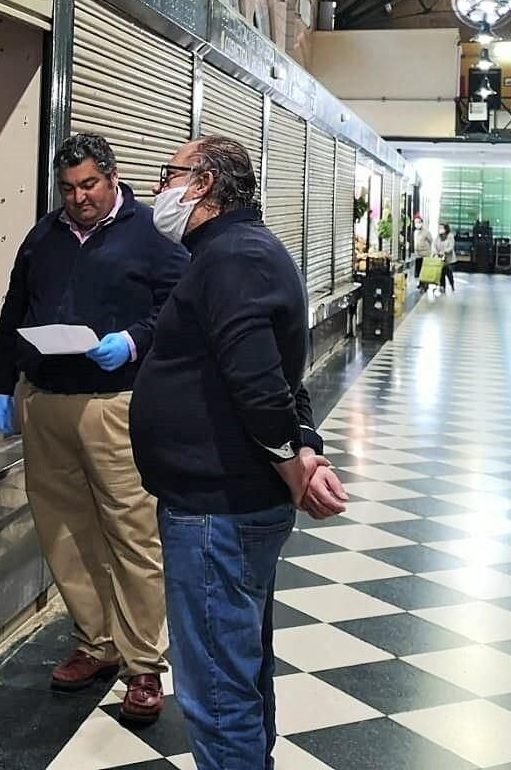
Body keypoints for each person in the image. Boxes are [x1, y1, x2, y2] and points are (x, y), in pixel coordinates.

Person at [130, 136, 349, 770]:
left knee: (218, 693)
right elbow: (281, 379)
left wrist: (296, 467)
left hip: (215, 513)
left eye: (167, 174)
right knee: (238, 673)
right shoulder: (233, 253)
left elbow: (260, 387)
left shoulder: (233, 259)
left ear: (201, 185)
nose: (159, 189)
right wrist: (304, 450)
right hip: (222, 506)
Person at [0, 134, 189, 723]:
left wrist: (132, 340)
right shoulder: (43, 236)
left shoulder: (152, 231)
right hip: (46, 403)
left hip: (115, 404)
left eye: (89, 186)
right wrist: (2, 386)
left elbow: (179, 303)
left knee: (130, 533)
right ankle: (96, 643)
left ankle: (144, 665)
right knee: (64, 530)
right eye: (69, 189)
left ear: (113, 176)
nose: (78, 199)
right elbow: (13, 310)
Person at [437, 222, 457, 293]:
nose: (440, 229)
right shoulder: (439, 236)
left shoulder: (450, 236)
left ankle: (452, 285)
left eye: (441, 228)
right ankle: (442, 287)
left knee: (449, 273)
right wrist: (436, 252)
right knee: (441, 273)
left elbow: (451, 246)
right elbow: (435, 244)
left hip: (449, 259)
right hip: (441, 259)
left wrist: (445, 251)